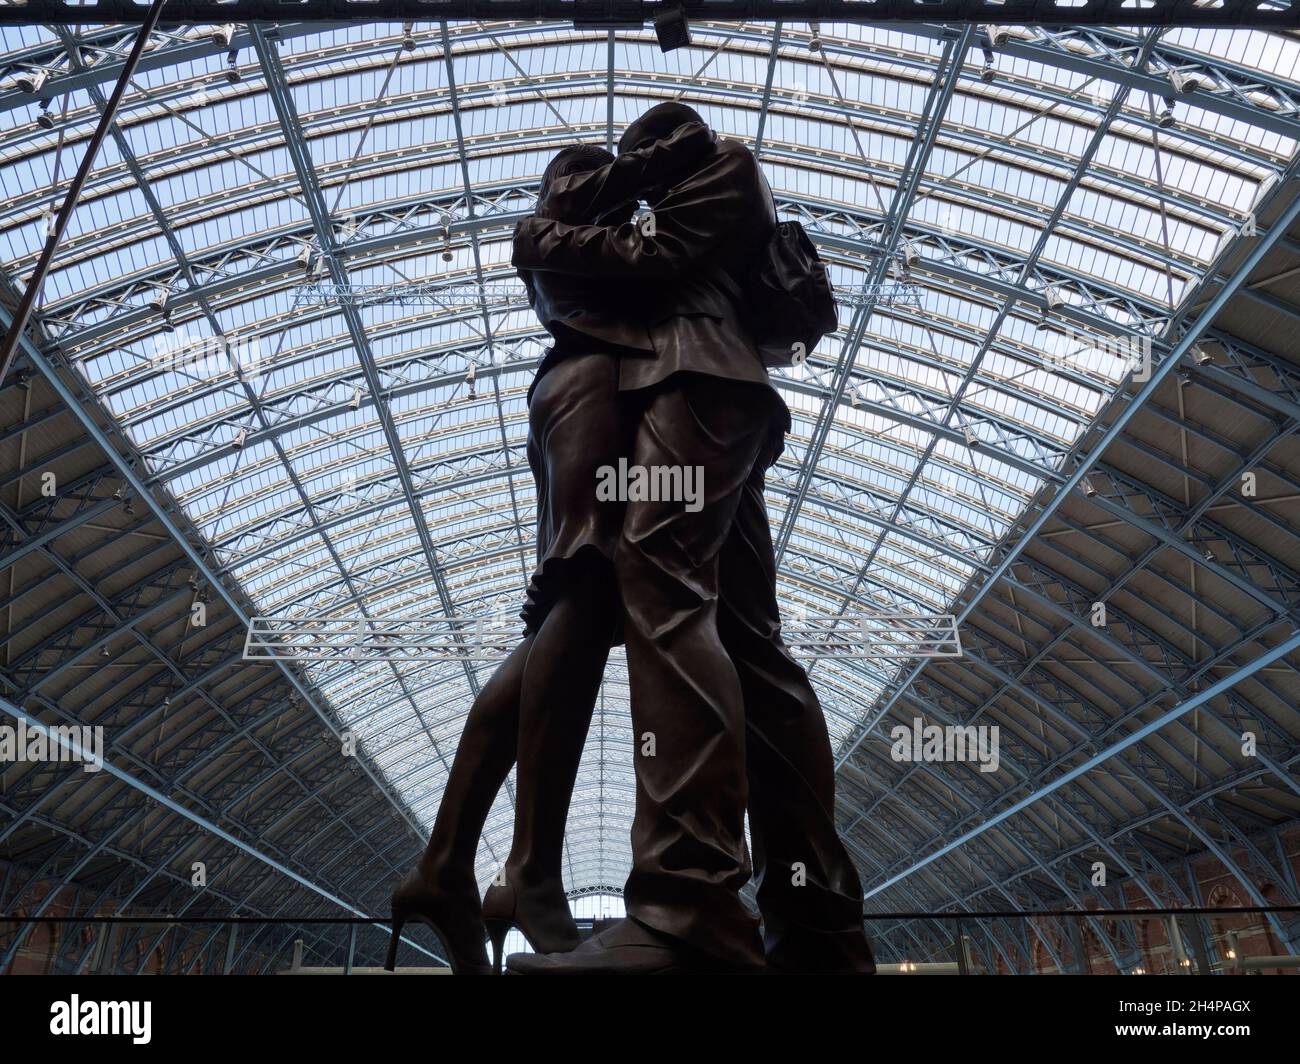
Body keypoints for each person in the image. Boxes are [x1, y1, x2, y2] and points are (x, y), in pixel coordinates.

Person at [508, 103, 876, 974]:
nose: (629, 177)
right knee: (751, 644)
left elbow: (649, 257)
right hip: (713, 392)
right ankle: (815, 925)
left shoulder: (725, 169)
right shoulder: (694, 192)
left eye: (636, 158)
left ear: (660, 145)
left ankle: (690, 903)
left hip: (701, 381)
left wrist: (541, 235)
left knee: (661, 583)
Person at [385, 132, 715, 975]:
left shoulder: (579, 251)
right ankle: (527, 869)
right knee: (590, 586)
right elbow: (634, 243)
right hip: (593, 393)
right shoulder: (558, 231)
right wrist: (654, 168)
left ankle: (448, 865)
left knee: (570, 617)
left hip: (581, 396)